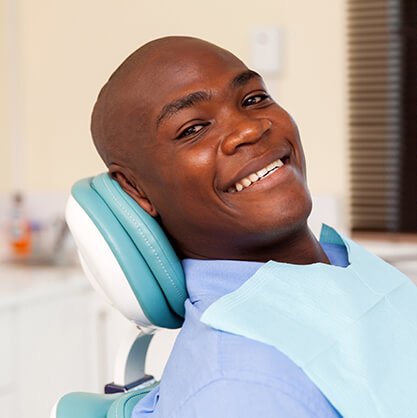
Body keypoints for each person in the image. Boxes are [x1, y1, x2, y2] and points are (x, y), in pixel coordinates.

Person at [91, 36, 344, 417]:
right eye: (192, 128)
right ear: (136, 188)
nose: (249, 129)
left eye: (254, 98)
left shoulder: (343, 265)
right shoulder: (238, 388)